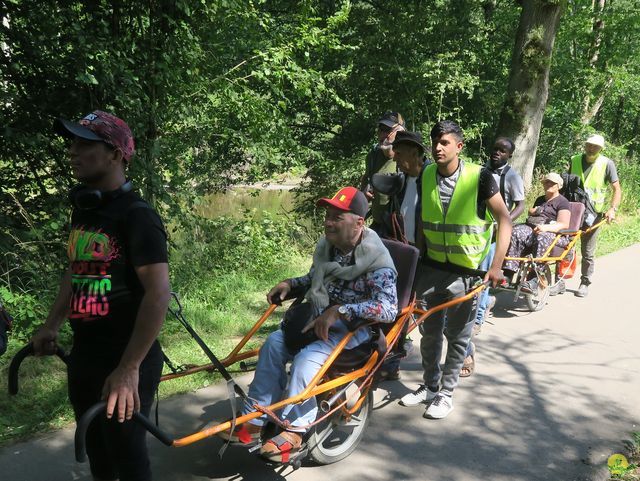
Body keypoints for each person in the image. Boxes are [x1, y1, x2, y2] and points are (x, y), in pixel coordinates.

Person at [31, 111, 170, 481]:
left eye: (84, 144)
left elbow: (158, 295)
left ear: (114, 154)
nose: (73, 152)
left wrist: (128, 370)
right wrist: (52, 324)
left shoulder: (138, 216)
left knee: (127, 455)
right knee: (97, 450)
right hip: (86, 352)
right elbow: (76, 270)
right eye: (72, 143)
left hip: (126, 357)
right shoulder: (86, 209)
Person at [220, 186, 398, 462]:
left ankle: (295, 429)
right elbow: (313, 279)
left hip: (356, 328)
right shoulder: (329, 248)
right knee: (273, 344)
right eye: (328, 215)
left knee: (306, 360)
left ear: (359, 223)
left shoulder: (377, 262)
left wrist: (341, 311)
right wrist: (290, 284)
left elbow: (388, 309)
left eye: (338, 217)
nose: (328, 221)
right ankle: (254, 419)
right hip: (320, 317)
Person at [399, 120, 512, 419]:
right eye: (436, 141)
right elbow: (424, 219)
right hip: (432, 267)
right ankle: (429, 385)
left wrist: (496, 265)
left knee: (458, 336)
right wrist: (418, 258)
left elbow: (505, 220)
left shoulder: (481, 176)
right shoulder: (425, 174)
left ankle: (446, 393)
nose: (438, 147)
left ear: (459, 146)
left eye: (445, 142)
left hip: (467, 273)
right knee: (430, 332)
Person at [461, 136, 525, 377]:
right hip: (477, 231)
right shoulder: (481, 172)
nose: (497, 153)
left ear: (509, 155)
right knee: (475, 273)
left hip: (496, 233)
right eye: (495, 149)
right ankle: (481, 307)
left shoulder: (512, 176)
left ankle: (477, 319)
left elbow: (520, 204)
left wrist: (504, 220)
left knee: (486, 274)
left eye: (503, 150)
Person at [568, 134, 622, 297]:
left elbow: (616, 189)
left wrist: (612, 209)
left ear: (601, 149)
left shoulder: (607, 164)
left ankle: (585, 282)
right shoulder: (574, 159)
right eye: (589, 145)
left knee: (588, 251)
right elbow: (566, 183)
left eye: (595, 146)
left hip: (593, 214)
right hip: (573, 211)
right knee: (565, 247)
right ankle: (560, 279)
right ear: (585, 145)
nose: (591, 148)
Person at [502, 172, 571, 291]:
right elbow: (533, 215)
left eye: (552, 183)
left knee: (542, 237)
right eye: (546, 182)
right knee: (516, 232)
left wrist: (545, 228)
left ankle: (533, 279)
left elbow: (564, 224)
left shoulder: (563, 202)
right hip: (534, 228)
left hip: (555, 234)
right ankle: (508, 274)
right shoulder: (540, 199)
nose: (548, 184)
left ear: (559, 186)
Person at [360, 111, 405, 236]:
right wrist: (364, 192)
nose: (383, 134)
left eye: (388, 130)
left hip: (401, 228)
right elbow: (365, 179)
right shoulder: (373, 156)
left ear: (400, 131)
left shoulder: (408, 156)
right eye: (380, 130)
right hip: (379, 225)